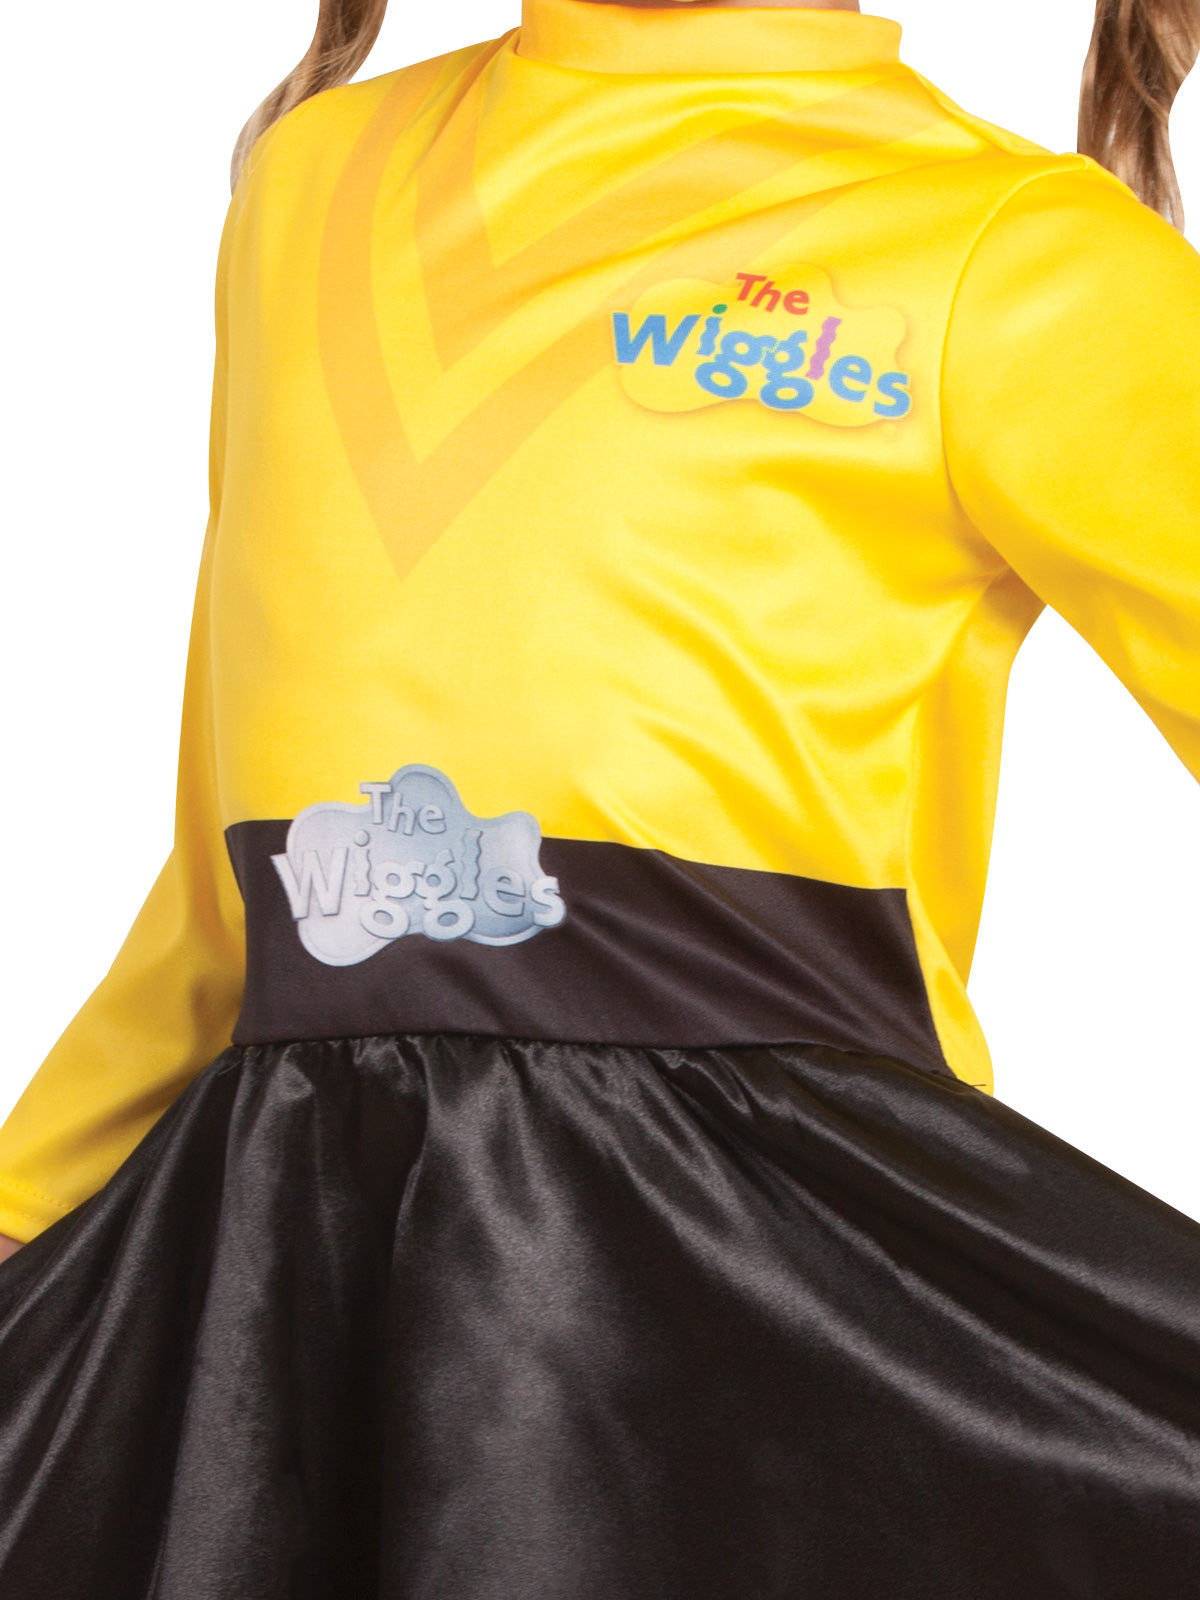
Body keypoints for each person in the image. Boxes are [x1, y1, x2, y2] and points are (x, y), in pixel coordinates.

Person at [1, 0, 1199, 1591]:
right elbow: (238, 870)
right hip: (293, 1256)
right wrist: (29, 1201)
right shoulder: (312, 183)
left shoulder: (1010, 249)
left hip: (750, 1272)